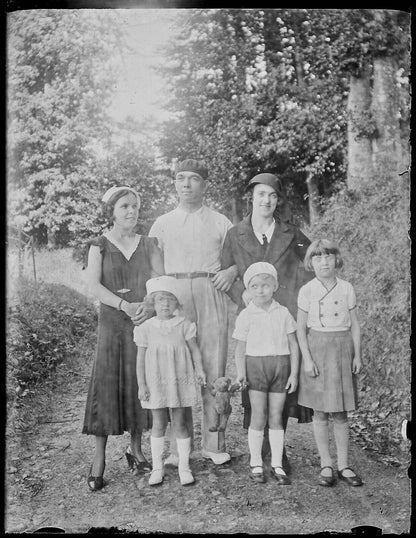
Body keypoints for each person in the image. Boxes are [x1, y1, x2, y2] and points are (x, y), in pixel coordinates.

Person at [221, 172, 313, 472]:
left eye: (272, 196)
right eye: (261, 194)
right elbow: (225, 273)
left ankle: (278, 447)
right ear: (252, 197)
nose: (267, 200)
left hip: (280, 314)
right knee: (253, 380)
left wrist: (298, 295)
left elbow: (311, 264)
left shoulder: (291, 233)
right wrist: (242, 295)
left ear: (278, 200)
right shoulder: (236, 233)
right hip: (251, 317)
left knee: (280, 384)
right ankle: (257, 448)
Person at [149, 158, 238, 465]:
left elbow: (238, 257)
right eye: (180, 178)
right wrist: (162, 298)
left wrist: (232, 272)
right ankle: (178, 448)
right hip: (175, 294)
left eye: (193, 179)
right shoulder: (162, 223)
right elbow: (156, 267)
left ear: (205, 185)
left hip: (210, 290)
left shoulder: (221, 222)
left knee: (213, 365)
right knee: (179, 367)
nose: (185, 184)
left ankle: (214, 444)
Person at [82, 186, 164, 491]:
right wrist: (122, 304)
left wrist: (150, 304)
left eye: (135, 206)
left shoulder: (149, 244)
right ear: (112, 212)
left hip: (142, 321)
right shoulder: (99, 245)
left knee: (139, 380)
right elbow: (94, 285)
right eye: (124, 207)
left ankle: (136, 448)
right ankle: (99, 458)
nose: (131, 212)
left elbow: (159, 281)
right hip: (113, 321)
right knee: (106, 383)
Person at [296, 239, 363, 487]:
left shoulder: (346, 288)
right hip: (317, 348)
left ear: (337, 260)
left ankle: (344, 465)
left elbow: (355, 324)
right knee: (321, 411)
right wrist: (307, 359)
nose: (323, 262)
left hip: (342, 346)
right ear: (311, 263)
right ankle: (326, 463)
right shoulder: (307, 290)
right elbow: (301, 329)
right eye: (318, 258)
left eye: (328, 257)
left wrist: (357, 354)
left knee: (341, 412)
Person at [134, 276, 207, 486]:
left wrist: (200, 370)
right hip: (156, 381)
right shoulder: (146, 328)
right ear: (153, 303)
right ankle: (157, 468)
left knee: (180, 423)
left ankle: (184, 466)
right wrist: (142, 384)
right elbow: (140, 358)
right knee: (158, 424)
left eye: (170, 299)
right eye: (160, 300)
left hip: (179, 381)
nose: (165, 304)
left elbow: (194, 350)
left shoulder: (184, 324)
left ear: (177, 303)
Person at [233, 262, 299, 485]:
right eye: (255, 286)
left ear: (275, 286)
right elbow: (240, 349)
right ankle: (256, 462)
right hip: (256, 368)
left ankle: (277, 464)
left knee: (276, 416)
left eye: (265, 285)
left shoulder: (283, 313)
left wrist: (294, 374)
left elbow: (294, 344)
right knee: (258, 415)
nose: (260, 290)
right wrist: (241, 373)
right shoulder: (246, 315)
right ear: (248, 290)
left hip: (280, 368)